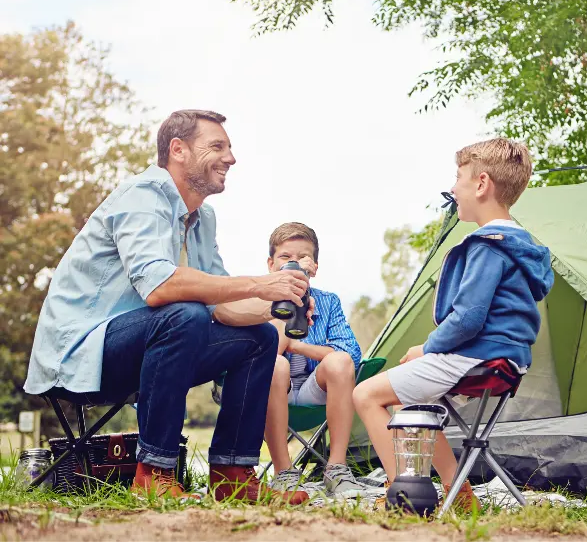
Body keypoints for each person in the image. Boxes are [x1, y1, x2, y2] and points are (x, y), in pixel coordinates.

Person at [24, 110, 310, 505]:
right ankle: (154, 473)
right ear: (178, 149)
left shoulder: (202, 217)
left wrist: (275, 306)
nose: (231, 158)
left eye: (229, 148)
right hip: (78, 355)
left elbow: (222, 305)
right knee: (183, 312)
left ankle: (233, 477)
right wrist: (261, 283)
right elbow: (159, 286)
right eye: (218, 146)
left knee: (260, 339)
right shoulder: (143, 194)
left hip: (149, 346)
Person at [352, 138, 554, 512]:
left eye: (457, 177)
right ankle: (457, 493)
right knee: (415, 404)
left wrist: (427, 348)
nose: (452, 187)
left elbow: (468, 318)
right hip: (507, 359)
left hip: (478, 354)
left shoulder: (487, 245)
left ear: (480, 184)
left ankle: (405, 492)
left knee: (366, 394)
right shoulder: (519, 244)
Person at [259, 222, 365, 496]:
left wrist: (297, 345)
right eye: (285, 257)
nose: (293, 263)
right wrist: (287, 303)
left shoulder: (328, 302)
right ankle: (284, 471)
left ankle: (336, 468)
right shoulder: (257, 299)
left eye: (302, 258)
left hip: (312, 388)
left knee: (339, 362)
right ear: (271, 264)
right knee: (276, 364)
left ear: (314, 267)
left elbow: (349, 354)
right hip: (268, 388)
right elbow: (266, 355)